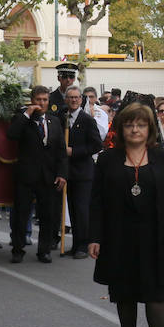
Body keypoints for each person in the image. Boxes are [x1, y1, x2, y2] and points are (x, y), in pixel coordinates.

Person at [88, 102, 164, 327]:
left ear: (150, 128)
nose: (135, 129)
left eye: (141, 124)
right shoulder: (107, 158)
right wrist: (94, 236)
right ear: (121, 128)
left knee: (157, 297)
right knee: (124, 295)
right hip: (118, 237)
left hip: (155, 237)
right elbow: (96, 201)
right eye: (129, 124)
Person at [7, 85, 68, 264]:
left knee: (48, 215)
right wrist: (27, 114)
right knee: (21, 214)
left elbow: (61, 152)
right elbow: (12, 135)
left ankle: (44, 250)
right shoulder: (21, 119)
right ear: (32, 100)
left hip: (48, 176)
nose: (42, 103)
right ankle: (18, 249)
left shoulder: (54, 121)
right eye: (38, 100)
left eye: (45, 100)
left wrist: (62, 174)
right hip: (26, 175)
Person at [63, 86, 103, 258]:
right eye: (70, 97)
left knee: (81, 210)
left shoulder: (87, 120)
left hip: (83, 172)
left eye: (76, 97)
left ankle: (83, 244)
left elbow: (96, 145)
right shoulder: (62, 117)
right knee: (72, 209)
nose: (73, 100)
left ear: (81, 99)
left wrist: (75, 151)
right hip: (67, 171)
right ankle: (75, 243)